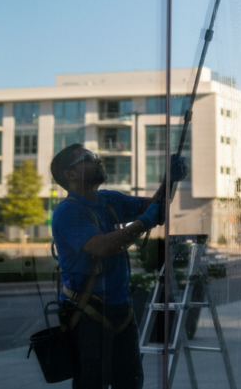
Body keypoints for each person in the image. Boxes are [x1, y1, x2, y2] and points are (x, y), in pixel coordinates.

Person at [50, 143, 187, 389]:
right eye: (89, 157)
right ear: (71, 173)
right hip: (88, 315)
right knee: (93, 383)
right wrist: (143, 224)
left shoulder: (109, 199)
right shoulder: (68, 211)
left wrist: (170, 180)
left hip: (121, 312)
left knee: (130, 382)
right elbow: (102, 247)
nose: (98, 159)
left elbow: (155, 207)